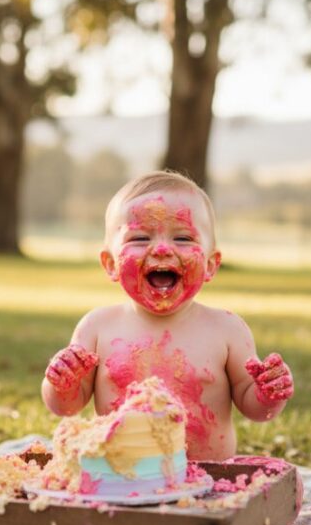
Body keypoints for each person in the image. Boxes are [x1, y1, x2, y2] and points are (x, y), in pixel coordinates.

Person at [41, 170, 294, 460]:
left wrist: (268, 394)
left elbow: (255, 410)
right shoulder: (97, 327)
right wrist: (61, 383)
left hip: (207, 481)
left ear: (211, 265)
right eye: (139, 237)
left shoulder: (227, 329)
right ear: (110, 264)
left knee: (285, 485)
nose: (162, 249)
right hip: (122, 478)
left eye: (183, 237)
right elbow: (66, 407)